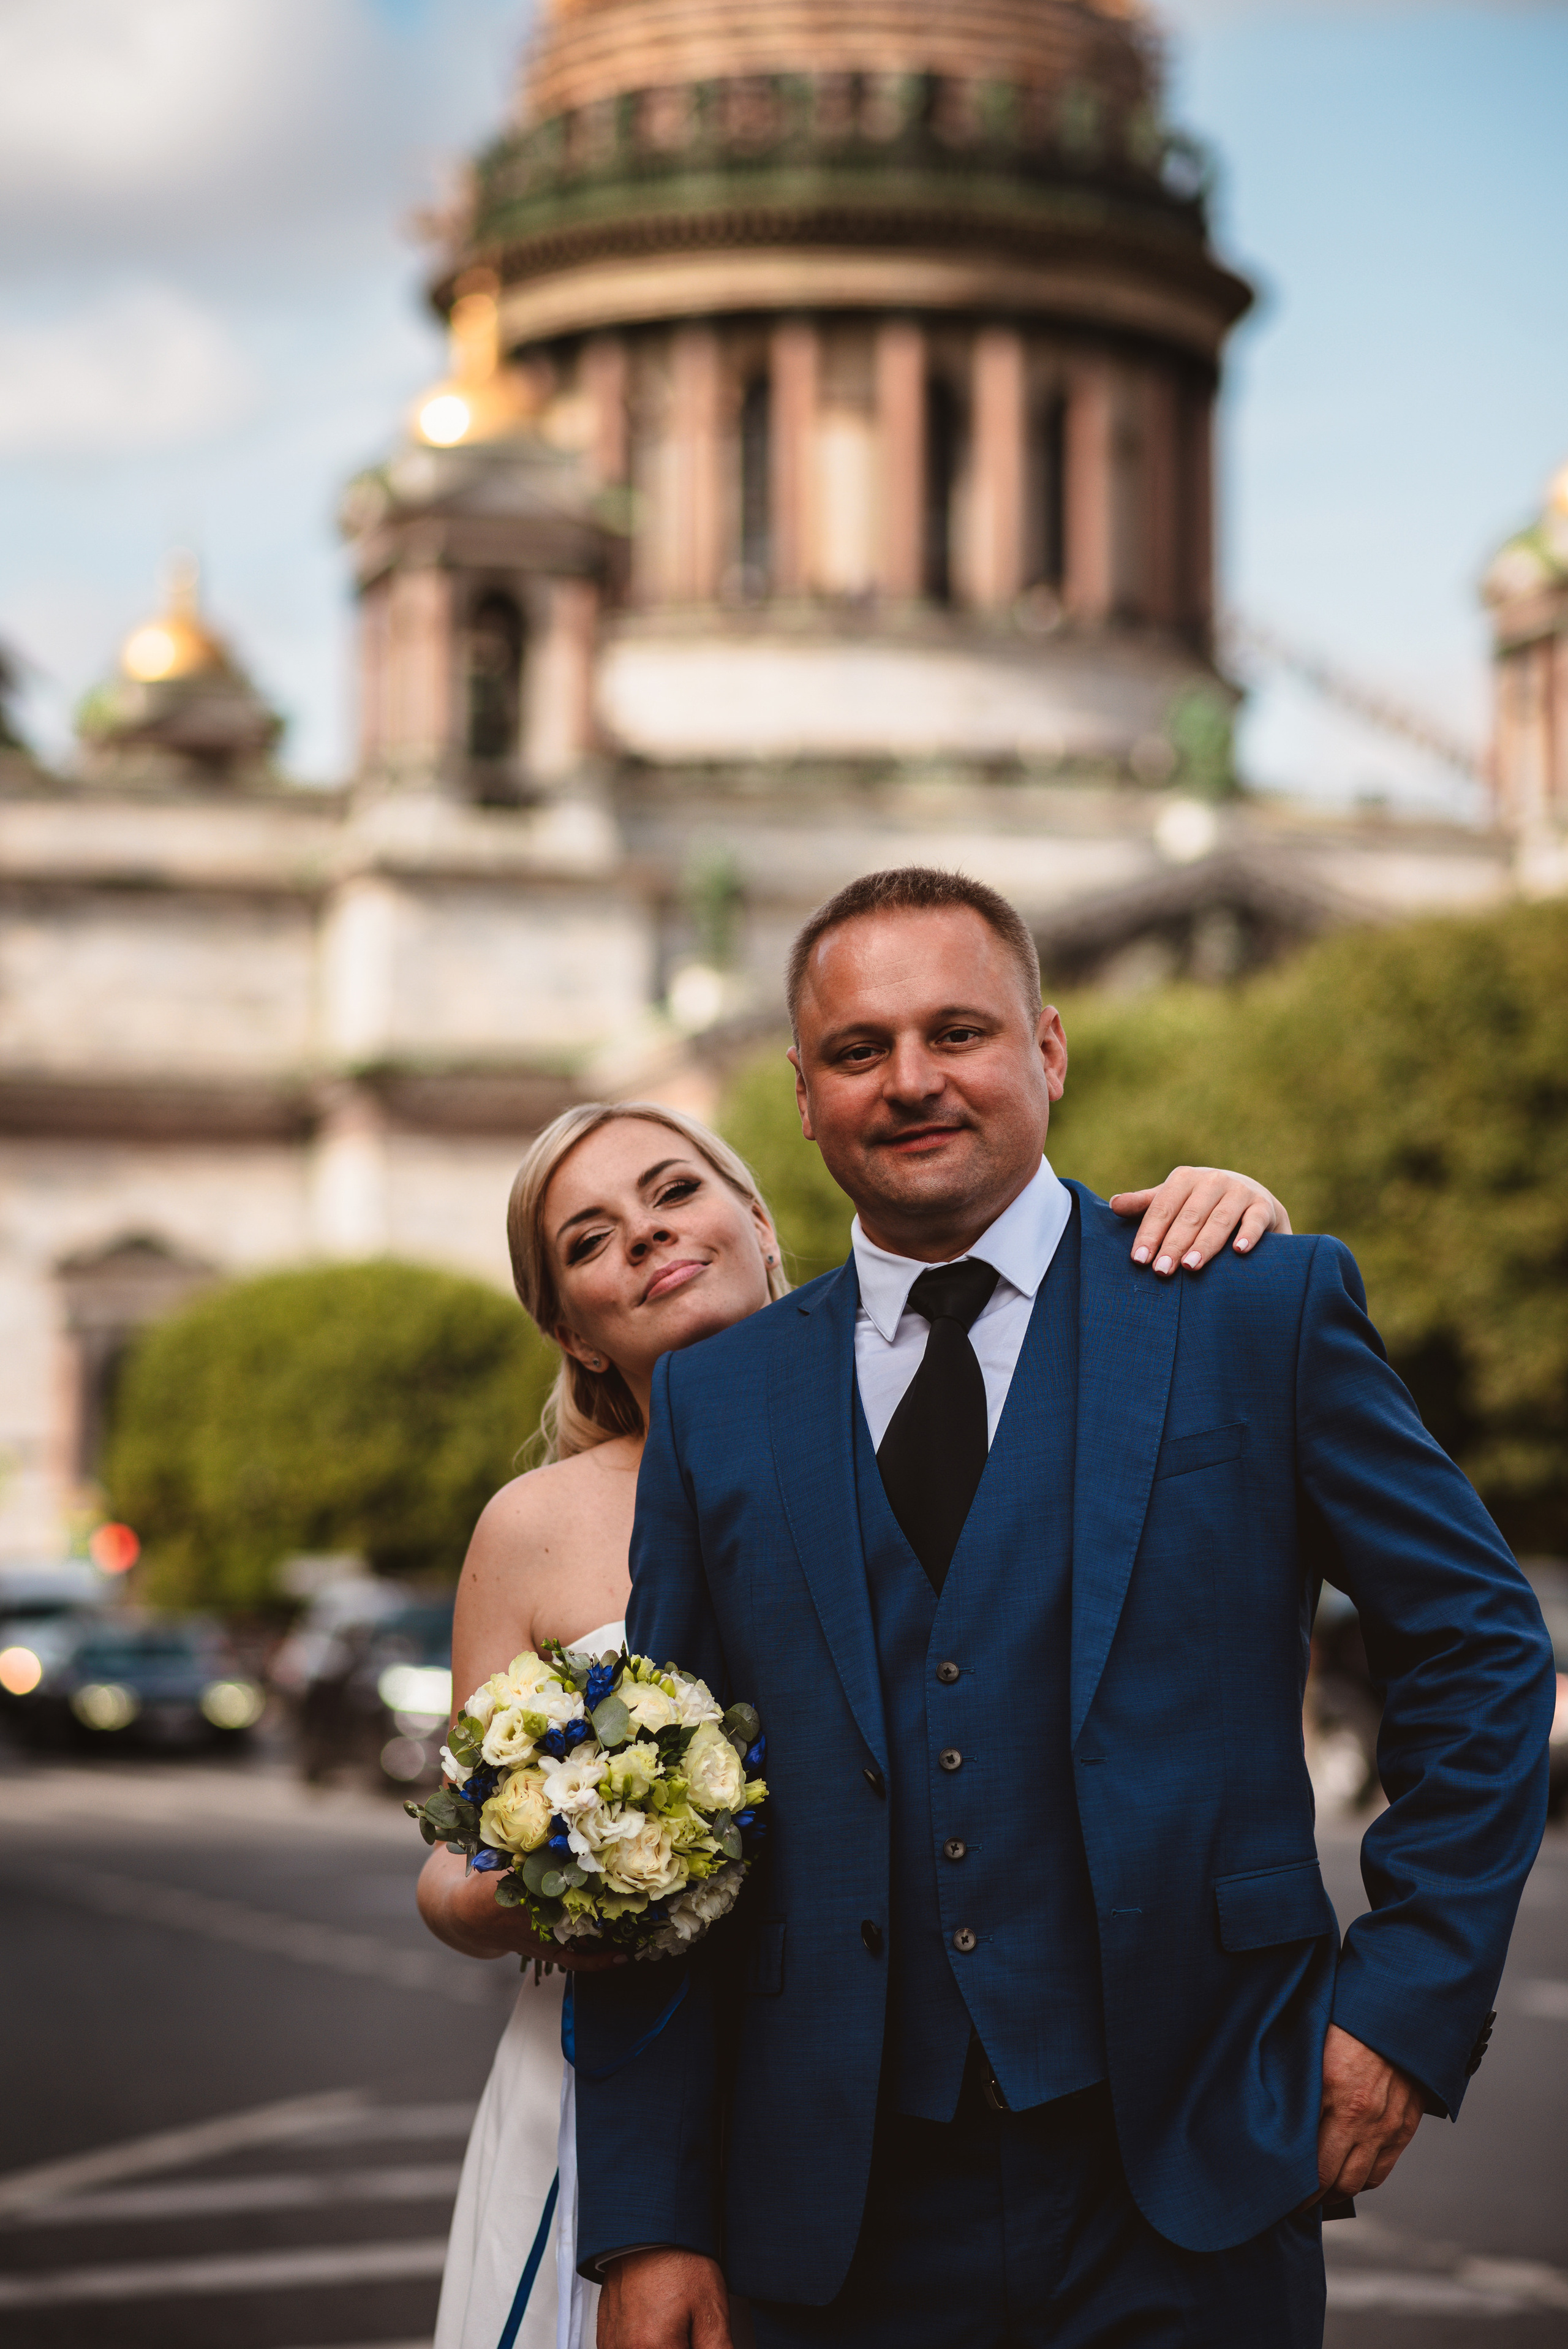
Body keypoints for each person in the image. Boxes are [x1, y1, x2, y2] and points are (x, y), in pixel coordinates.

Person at [575, 866, 1557, 2349]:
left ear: (1045, 1051)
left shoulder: (1249, 1304)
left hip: (1189, 2174)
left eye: (956, 1033)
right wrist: (648, 2214)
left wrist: (1400, 2014)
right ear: (801, 1093)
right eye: (858, 1050)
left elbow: (1480, 1650)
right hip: (825, 2208)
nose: (910, 1081)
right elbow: (656, 1822)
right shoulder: (721, 1398)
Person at [418, 1096, 1291, 2349]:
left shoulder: (923, 1384)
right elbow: (454, 1867)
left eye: (674, 1193)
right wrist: (567, 1880)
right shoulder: (531, 1528)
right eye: (589, 1239)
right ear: (568, 1325)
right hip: (624, 2080)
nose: (649, 1239)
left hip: (912, 2114)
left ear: (759, 1217)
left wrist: (1229, 1213)